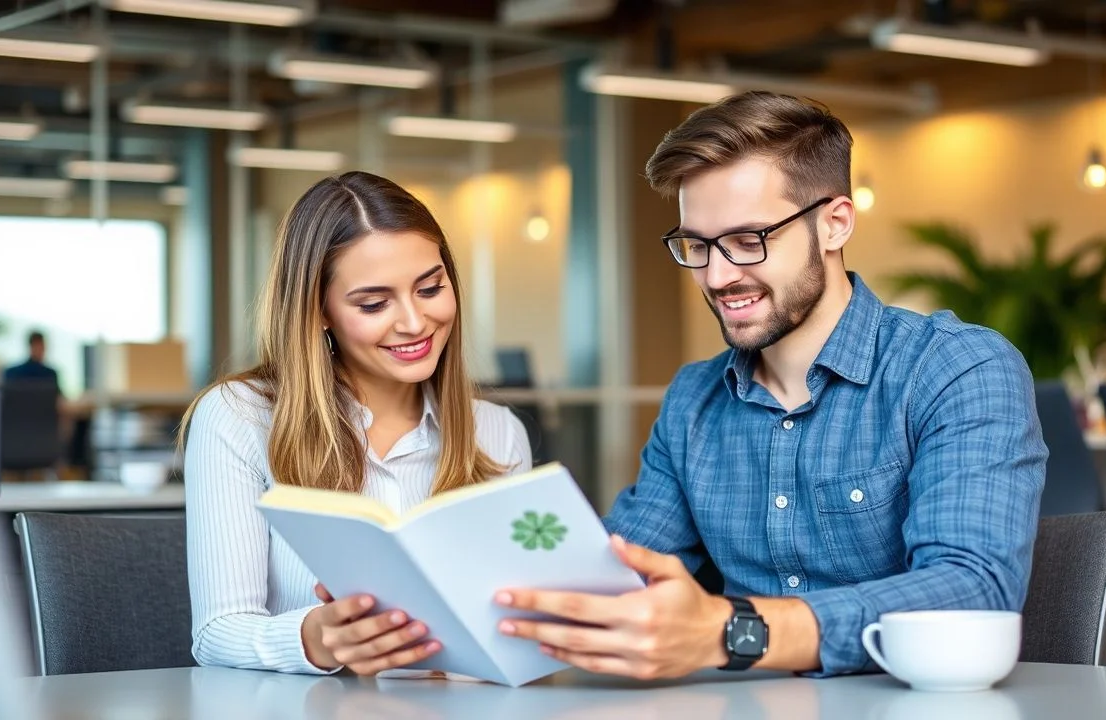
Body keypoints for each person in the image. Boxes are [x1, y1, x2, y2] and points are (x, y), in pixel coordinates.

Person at [494, 91, 1047, 679]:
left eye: (748, 239)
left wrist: (734, 632)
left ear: (834, 223)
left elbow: (972, 589)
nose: (717, 275)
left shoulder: (956, 370)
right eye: (698, 245)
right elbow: (620, 575)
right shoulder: (693, 401)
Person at [181, 171, 532, 676]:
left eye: (430, 288)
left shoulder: (498, 433)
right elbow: (217, 633)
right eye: (374, 303)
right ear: (318, 310)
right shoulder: (238, 416)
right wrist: (316, 640)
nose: (414, 323)